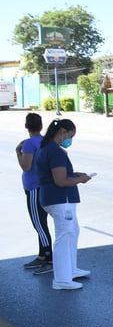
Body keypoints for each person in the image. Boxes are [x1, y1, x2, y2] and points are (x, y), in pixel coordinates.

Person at [35, 119, 92, 290]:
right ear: (62, 132)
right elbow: (60, 181)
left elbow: (57, 174)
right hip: (60, 200)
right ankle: (61, 278)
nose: (70, 140)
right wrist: (80, 179)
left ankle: (70, 270)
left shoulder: (47, 148)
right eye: (70, 136)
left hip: (56, 199)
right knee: (65, 236)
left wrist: (74, 174)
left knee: (72, 231)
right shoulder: (55, 152)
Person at [17, 113, 53, 275]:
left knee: (38, 224)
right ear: (40, 125)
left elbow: (26, 166)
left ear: (27, 126)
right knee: (42, 221)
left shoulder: (29, 144)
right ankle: (42, 255)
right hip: (44, 186)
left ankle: (48, 256)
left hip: (33, 187)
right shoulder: (46, 141)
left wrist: (19, 152)